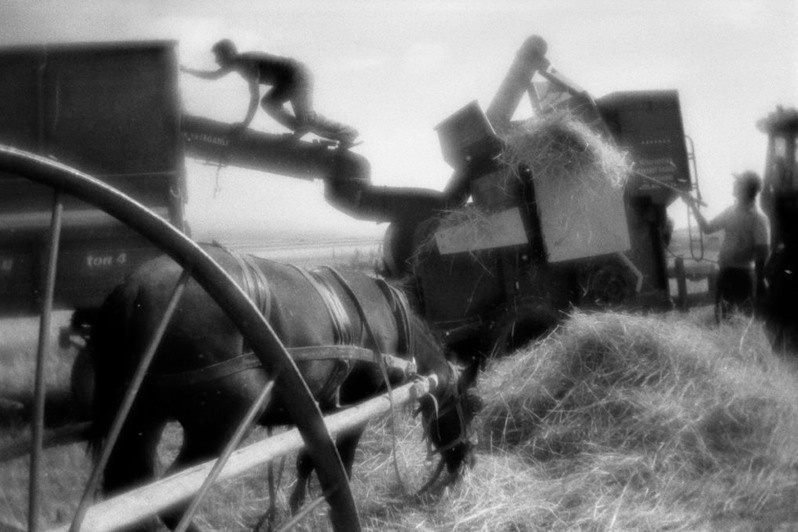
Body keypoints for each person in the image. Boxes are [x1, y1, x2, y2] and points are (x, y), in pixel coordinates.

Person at [181, 39, 358, 146]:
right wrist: (188, 71)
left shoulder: (245, 63)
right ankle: (299, 127)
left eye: (218, 56)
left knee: (307, 118)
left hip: (298, 76)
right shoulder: (234, 63)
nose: (217, 61)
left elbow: (255, 97)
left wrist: (245, 124)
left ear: (229, 53)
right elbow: (213, 75)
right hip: (286, 81)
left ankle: (348, 132)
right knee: (270, 104)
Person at [682, 171, 770, 321]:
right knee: (723, 321)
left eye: (738, 182)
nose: (734, 184)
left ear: (746, 188)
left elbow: (762, 250)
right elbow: (707, 228)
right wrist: (692, 205)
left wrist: (760, 281)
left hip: (742, 276)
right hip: (725, 272)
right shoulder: (730, 211)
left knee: (741, 321)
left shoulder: (758, 218)